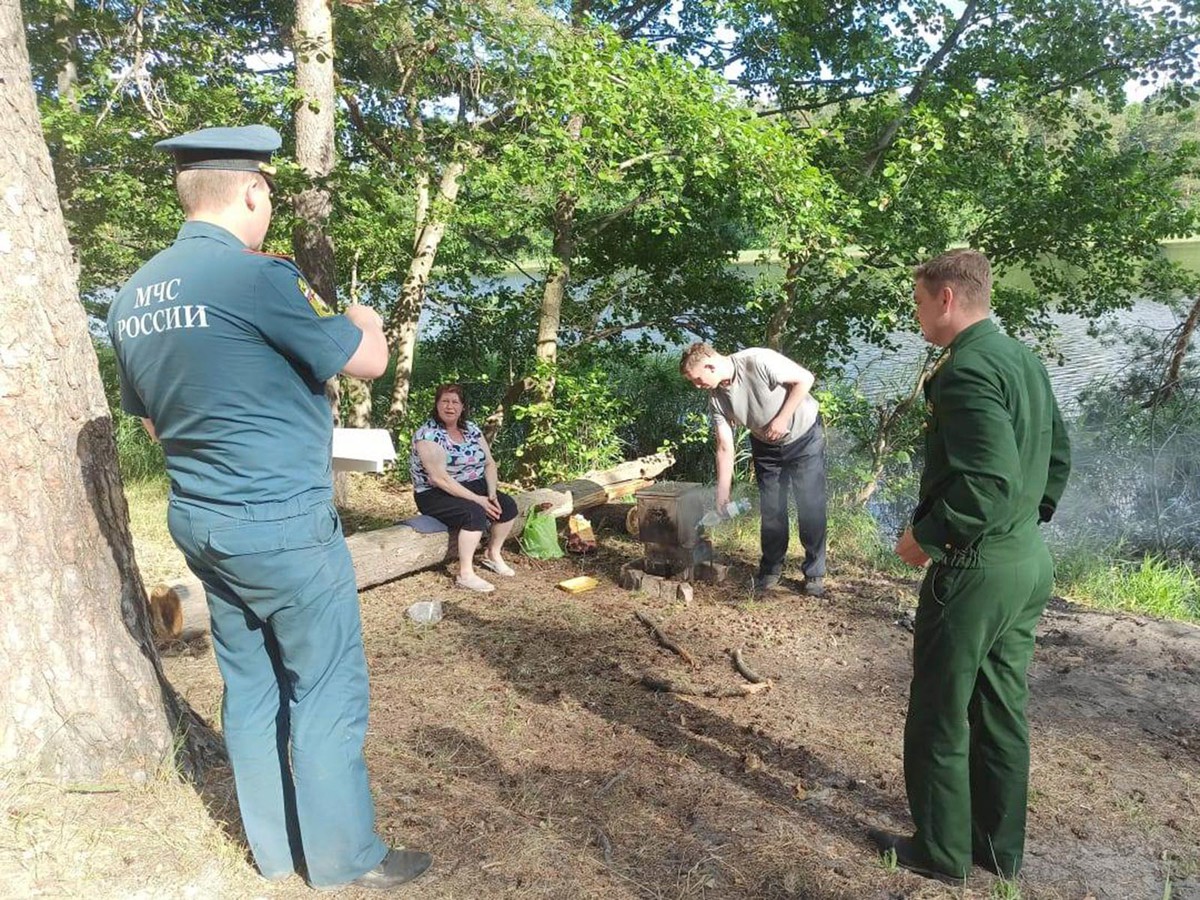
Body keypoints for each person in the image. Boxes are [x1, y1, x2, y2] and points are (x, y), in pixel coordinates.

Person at [106, 125, 431, 891]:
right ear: (252, 191)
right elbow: (369, 363)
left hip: (200, 520)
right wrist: (367, 318)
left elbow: (154, 421)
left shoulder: (131, 297)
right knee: (324, 687)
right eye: (270, 192)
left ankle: (277, 854)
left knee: (250, 687)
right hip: (280, 522)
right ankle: (347, 861)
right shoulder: (255, 279)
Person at [871, 249, 1072, 883]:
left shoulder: (965, 372)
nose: (917, 313)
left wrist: (928, 537)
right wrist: (1022, 525)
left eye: (919, 301)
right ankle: (997, 849)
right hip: (1026, 564)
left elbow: (987, 480)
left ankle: (942, 852)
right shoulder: (1021, 358)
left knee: (939, 709)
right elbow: (1057, 458)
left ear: (948, 299)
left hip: (978, 568)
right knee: (1001, 708)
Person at [680, 342, 828, 596]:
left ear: (710, 365)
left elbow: (805, 379)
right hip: (766, 447)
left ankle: (814, 573)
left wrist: (782, 418)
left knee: (810, 506)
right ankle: (771, 569)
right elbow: (724, 446)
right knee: (772, 508)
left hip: (804, 438)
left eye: (697, 379)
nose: (697, 386)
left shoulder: (757, 360)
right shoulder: (716, 398)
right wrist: (723, 493)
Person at [410, 383, 520, 593]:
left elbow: (489, 463)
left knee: (507, 506)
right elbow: (440, 478)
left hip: (471, 483)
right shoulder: (427, 435)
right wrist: (478, 500)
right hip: (434, 492)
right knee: (474, 514)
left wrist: (491, 493)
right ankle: (465, 574)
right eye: (445, 401)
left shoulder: (471, 429)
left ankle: (492, 554)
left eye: (455, 402)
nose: (450, 407)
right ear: (437, 405)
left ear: (462, 407)